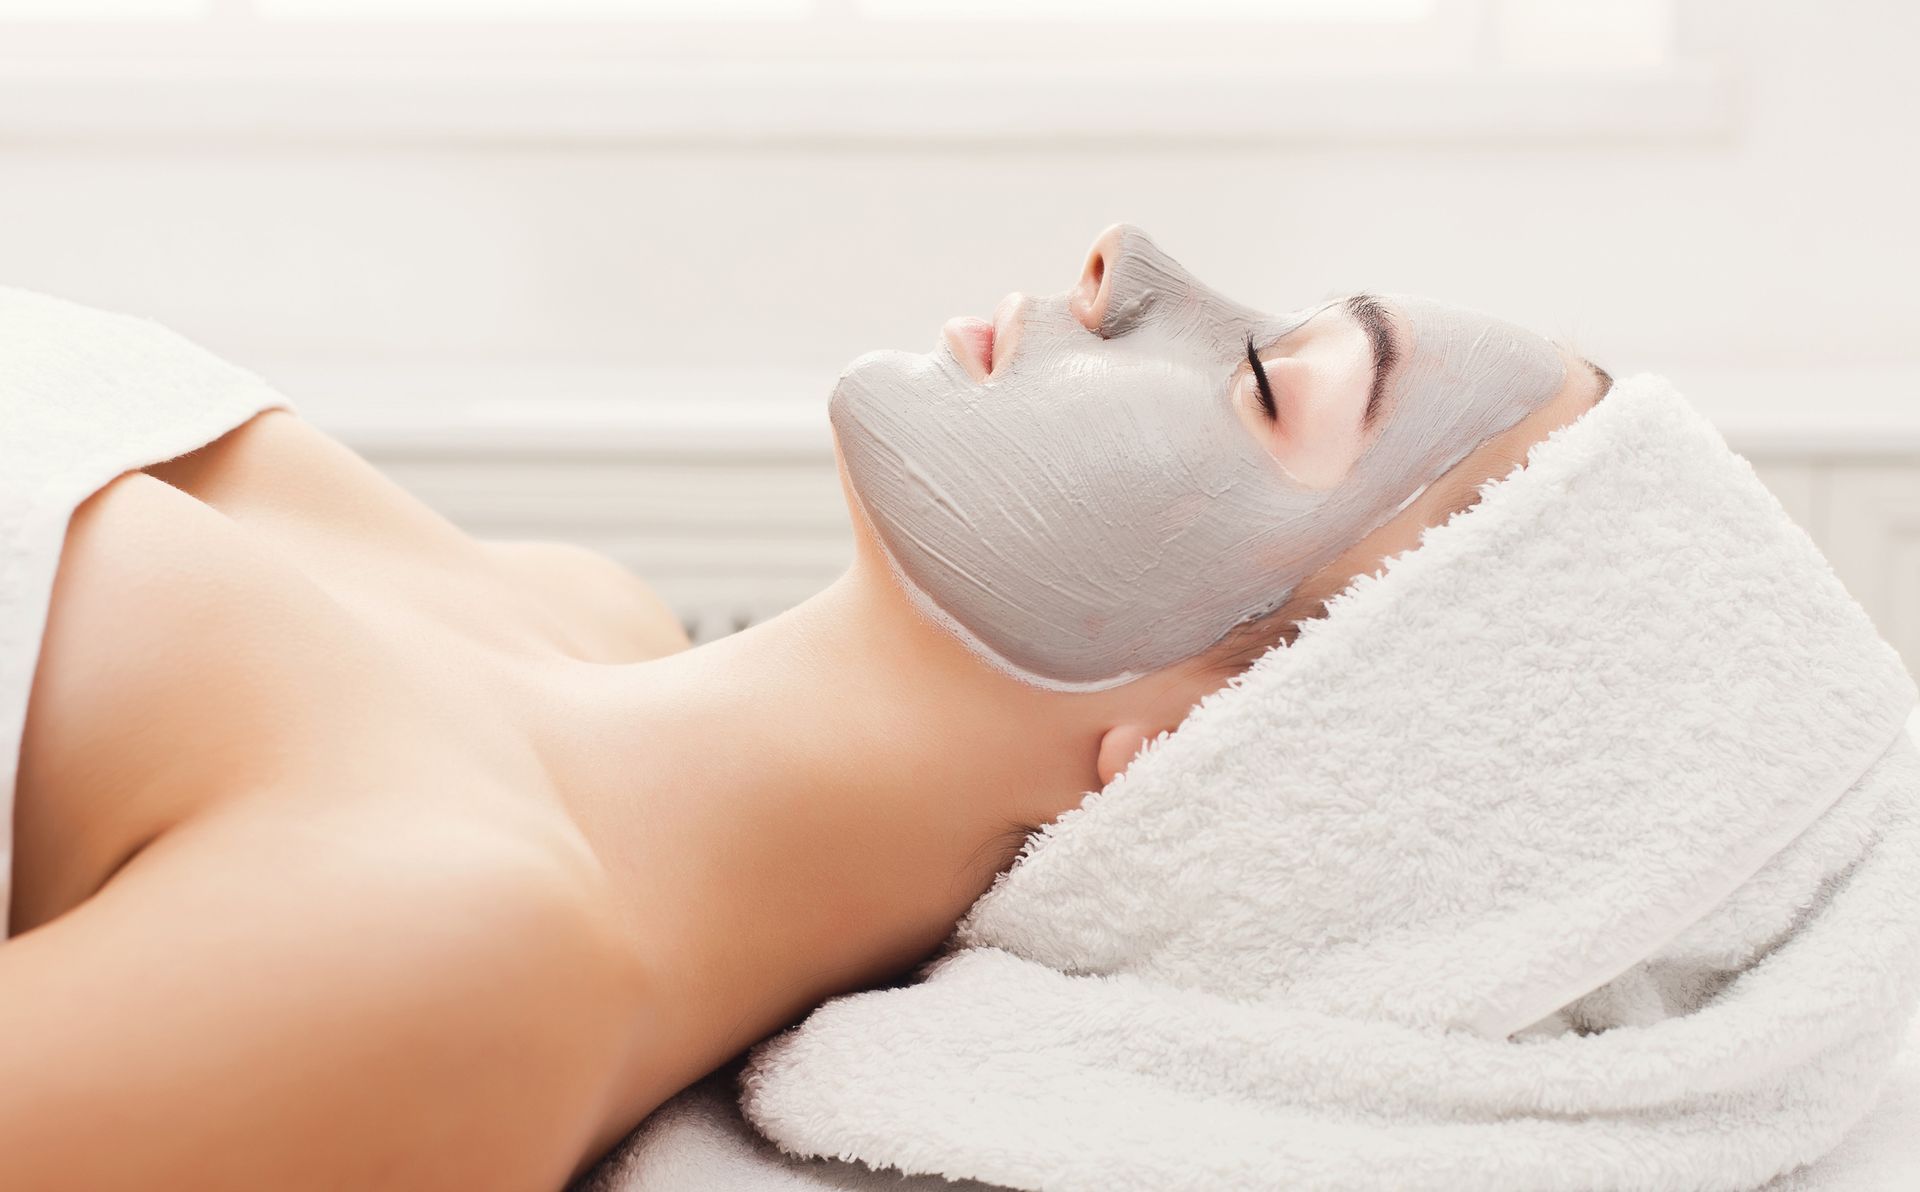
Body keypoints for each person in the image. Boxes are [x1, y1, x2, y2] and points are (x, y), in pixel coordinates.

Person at [0, 223, 1612, 1190]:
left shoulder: (458, 965)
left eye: (1272, 385)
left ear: (1204, 759)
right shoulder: (575, 609)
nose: (1134, 261)